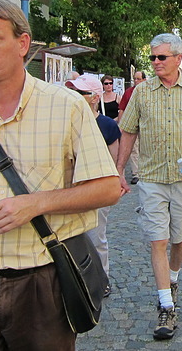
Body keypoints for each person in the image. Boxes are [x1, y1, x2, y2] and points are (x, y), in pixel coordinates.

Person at [0, 0, 121, 350]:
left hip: (42, 281)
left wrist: (34, 204)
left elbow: (108, 189)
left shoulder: (67, 107)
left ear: (22, 44)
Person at [116, 33, 182, 341]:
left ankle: (172, 278)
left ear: (177, 59)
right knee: (157, 239)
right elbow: (128, 131)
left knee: (180, 239)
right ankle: (166, 305)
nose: (156, 63)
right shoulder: (141, 92)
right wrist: (118, 169)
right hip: (152, 178)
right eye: (153, 58)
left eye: (161, 57)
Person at [65, 73, 120, 297]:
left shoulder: (106, 125)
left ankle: (101, 279)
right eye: (73, 92)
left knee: (96, 237)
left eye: (80, 93)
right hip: (70, 190)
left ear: (94, 97)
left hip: (96, 190)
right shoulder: (66, 123)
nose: (74, 97)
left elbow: (112, 162)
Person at [118, 70, 147, 185]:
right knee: (134, 149)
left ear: (144, 80)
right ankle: (136, 173)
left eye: (138, 79)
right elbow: (122, 108)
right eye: (134, 79)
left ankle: (145, 170)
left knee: (144, 147)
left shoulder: (149, 92)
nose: (136, 81)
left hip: (145, 125)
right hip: (132, 125)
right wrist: (121, 124)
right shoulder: (129, 92)